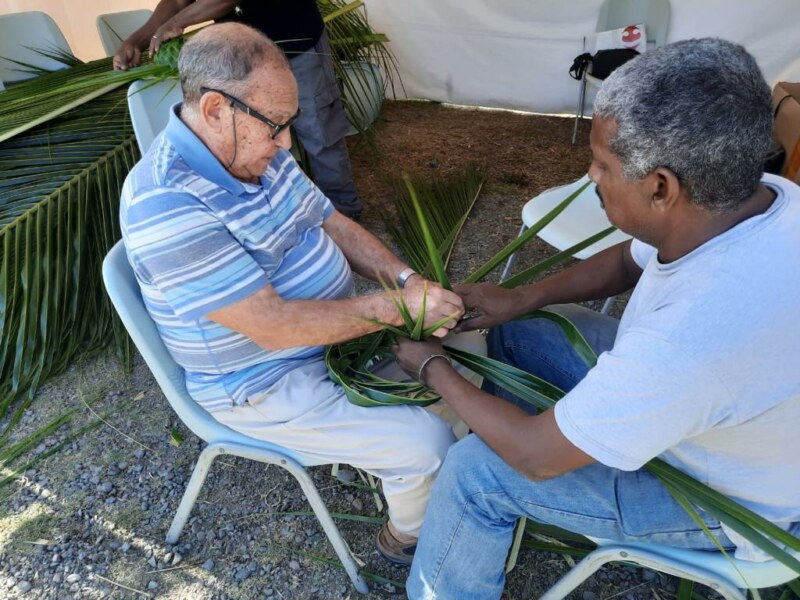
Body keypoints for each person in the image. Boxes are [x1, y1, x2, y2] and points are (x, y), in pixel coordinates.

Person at [392, 38, 800, 599]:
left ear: (661, 187)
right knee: (526, 329)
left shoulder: (689, 338)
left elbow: (536, 458)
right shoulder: (762, 199)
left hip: (732, 500)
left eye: (603, 164)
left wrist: (432, 368)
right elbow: (629, 259)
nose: (590, 175)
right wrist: (520, 297)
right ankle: (572, 444)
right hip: (724, 429)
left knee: (475, 472)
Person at [120, 22, 468, 566]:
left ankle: (408, 466)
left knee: (464, 361)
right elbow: (273, 326)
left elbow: (332, 221)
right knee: (427, 445)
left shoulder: (251, 148)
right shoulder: (165, 203)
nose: (286, 143)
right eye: (276, 126)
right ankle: (406, 539)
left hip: (324, 346)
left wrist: (407, 282)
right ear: (214, 109)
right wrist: (396, 309)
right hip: (262, 381)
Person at [114, 0, 364, 218]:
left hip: (296, 41)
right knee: (256, 136)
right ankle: (287, 212)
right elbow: (178, 1)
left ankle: (343, 210)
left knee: (319, 131)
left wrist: (176, 23)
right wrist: (136, 41)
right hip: (245, 56)